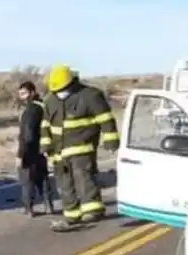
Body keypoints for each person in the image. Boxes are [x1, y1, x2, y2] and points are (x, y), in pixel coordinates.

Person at [39, 65, 120, 230]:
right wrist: (45, 145)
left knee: (83, 178)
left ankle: (92, 210)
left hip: (82, 147)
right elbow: (45, 124)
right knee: (64, 183)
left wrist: (111, 141)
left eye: (62, 88)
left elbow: (106, 119)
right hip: (58, 152)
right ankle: (71, 214)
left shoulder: (90, 96)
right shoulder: (51, 100)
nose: (60, 92)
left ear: (71, 84)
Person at [15, 80, 53, 216]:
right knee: (43, 178)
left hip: (30, 148)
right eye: (20, 94)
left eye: (24, 93)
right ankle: (48, 205)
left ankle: (29, 208)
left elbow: (27, 132)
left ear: (32, 92)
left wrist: (21, 154)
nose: (22, 97)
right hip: (42, 147)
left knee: (27, 180)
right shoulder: (43, 105)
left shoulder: (31, 109)